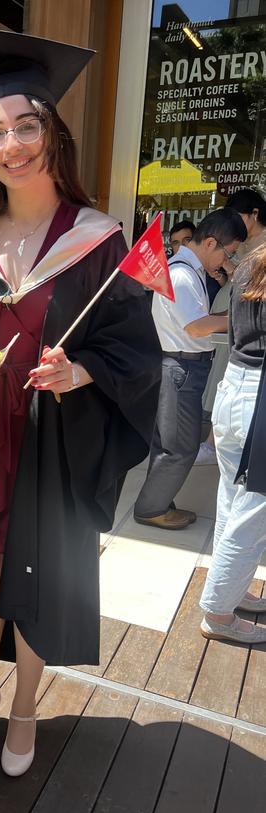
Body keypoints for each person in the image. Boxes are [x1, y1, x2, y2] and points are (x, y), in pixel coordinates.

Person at [0, 29, 161, 777]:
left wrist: (82, 372)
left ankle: (25, 706)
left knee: (34, 572)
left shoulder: (97, 240)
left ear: (51, 133)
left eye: (26, 125)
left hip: (50, 433)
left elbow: (133, 347)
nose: (11, 144)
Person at [134, 209, 247, 529]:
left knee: (171, 442)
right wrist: (244, 319)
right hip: (182, 368)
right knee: (178, 448)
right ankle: (151, 509)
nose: (226, 261)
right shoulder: (182, 274)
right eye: (228, 252)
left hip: (185, 368)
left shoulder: (189, 269)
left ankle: (156, 500)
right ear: (211, 243)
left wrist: (232, 308)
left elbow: (201, 319)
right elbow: (197, 326)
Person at [199, 242, 266, 643]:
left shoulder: (250, 265)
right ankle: (219, 612)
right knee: (254, 510)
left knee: (233, 499)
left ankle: (231, 592)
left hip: (236, 386)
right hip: (259, 397)